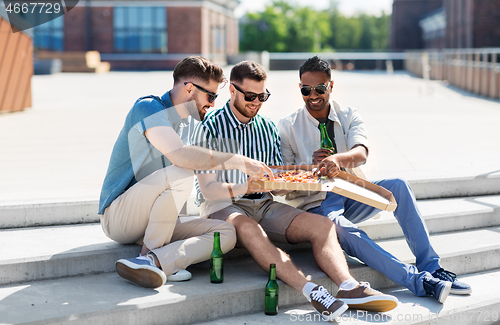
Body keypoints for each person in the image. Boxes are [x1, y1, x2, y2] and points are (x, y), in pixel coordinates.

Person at [191, 60, 399, 321]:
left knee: (322, 226)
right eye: (250, 96)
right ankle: (313, 292)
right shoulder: (208, 127)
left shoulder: (267, 128)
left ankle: (349, 287)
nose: (257, 102)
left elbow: (278, 185)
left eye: (263, 96)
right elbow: (208, 191)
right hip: (222, 205)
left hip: (264, 203)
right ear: (232, 91)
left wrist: (302, 176)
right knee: (248, 227)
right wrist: (248, 185)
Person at [277, 55, 471, 304]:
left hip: (351, 191)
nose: (312, 95)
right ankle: (420, 282)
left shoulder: (348, 115)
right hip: (317, 204)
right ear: (300, 88)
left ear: (331, 86)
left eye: (320, 88)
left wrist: (338, 160)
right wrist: (308, 168)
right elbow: (285, 176)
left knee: (398, 185)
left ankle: (431, 266)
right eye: (306, 89)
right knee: (341, 227)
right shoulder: (287, 126)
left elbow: (362, 153)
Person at [98, 56, 274, 289]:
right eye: (210, 96)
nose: (212, 104)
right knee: (182, 171)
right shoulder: (148, 108)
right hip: (119, 217)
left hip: (156, 221)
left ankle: (157, 261)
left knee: (225, 233)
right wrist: (239, 162)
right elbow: (179, 156)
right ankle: (148, 254)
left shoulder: (191, 123)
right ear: (189, 88)